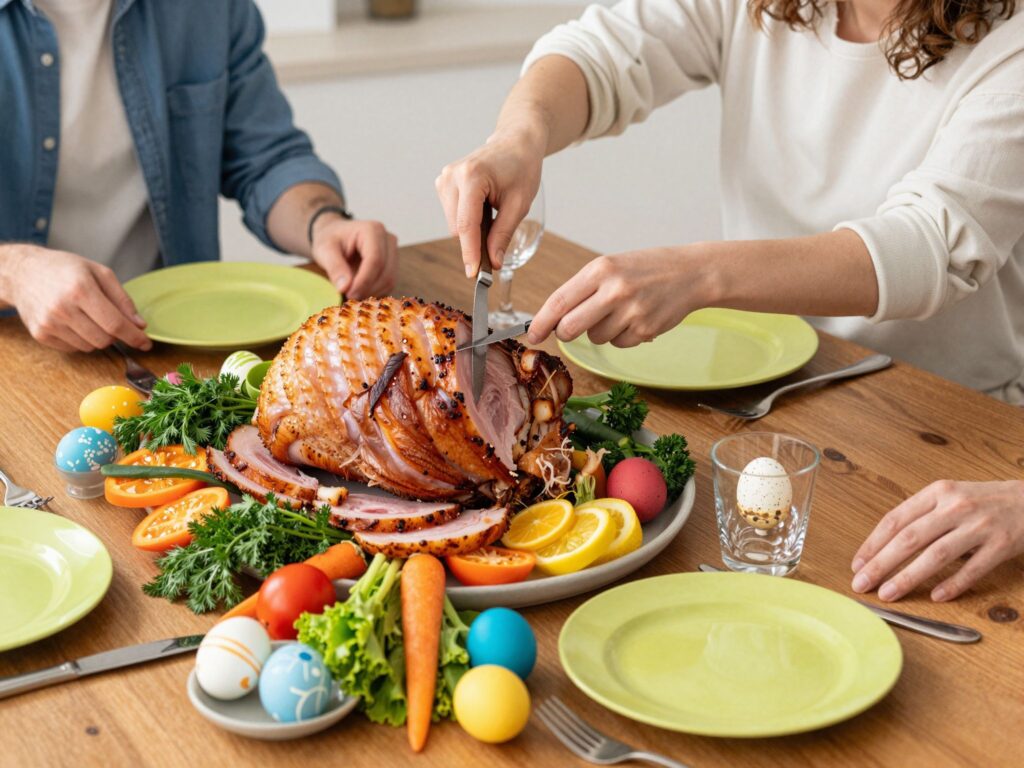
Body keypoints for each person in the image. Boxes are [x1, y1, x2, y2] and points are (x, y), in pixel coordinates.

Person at [435, 0, 1024, 601]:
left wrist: (698, 274)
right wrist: (518, 138)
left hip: (943, 431)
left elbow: (932, 244)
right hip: (759, 405)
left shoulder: (1011, 44)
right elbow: (604, 52)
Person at [0, 0, 397, 354]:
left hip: (171, 349)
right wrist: (16, 273)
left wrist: (322, 224)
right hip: (18, 353)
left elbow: (267, 158)